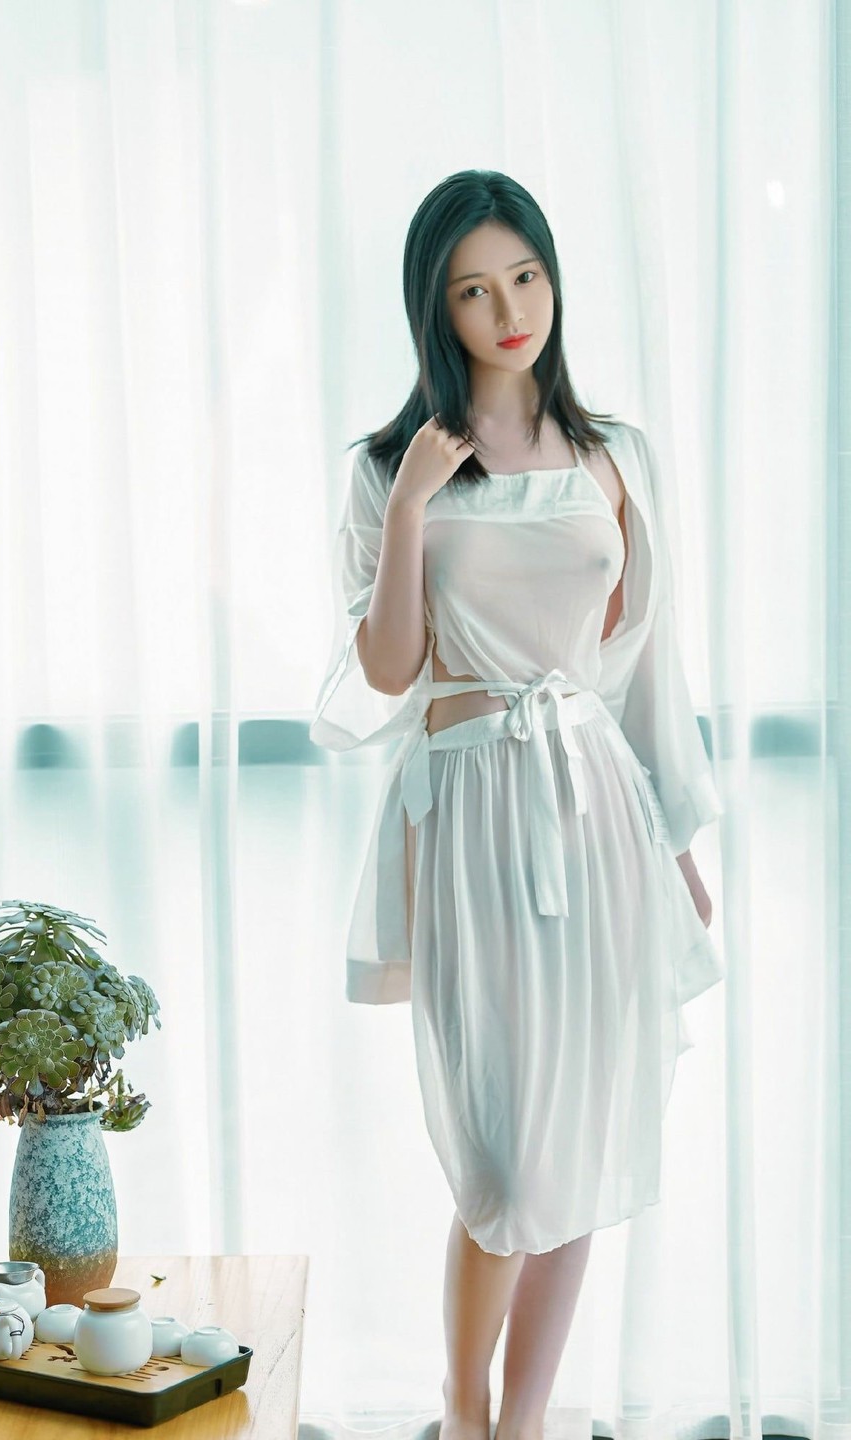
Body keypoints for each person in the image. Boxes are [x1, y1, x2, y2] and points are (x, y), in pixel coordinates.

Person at [310, 169, 725, 1440]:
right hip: (471, 811)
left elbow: (642, 663)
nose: (510, 312)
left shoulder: (614, 456)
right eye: (475, 291)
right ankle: (463, 1405)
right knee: (501, 1154)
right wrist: (414, 507)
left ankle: (524, 1421)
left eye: (526, 278)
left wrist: (676, 841)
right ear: (434, 310)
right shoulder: (388, 470)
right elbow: (388, 671)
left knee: (580, 1139)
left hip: (595, 811)